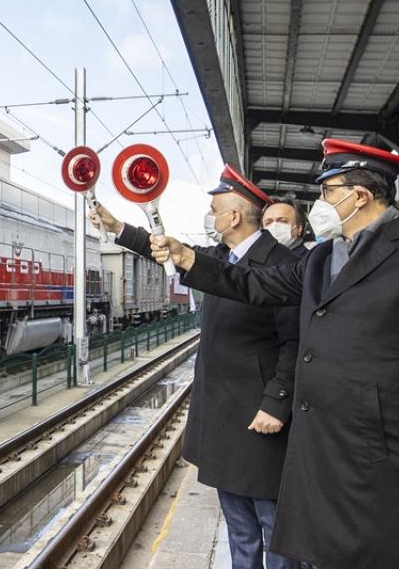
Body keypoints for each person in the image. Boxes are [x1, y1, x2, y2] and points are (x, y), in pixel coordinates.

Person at [149, 138, 399, 569]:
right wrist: (189, 257)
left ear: (359, 197)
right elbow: (255, 284)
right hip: (320, 450)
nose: (319, 202)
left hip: (382, 459)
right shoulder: (324, 256)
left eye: (328, 191)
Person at [93, 165, 301, 569]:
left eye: (214, 208)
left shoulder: (281, 263)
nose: (210, 215)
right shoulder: (220, 258)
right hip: (223, 416)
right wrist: (118, 226)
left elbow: (296, 341)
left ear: (234, 216)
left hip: (261, 416)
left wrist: (277, 402)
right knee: (239, 526)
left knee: (273, 524)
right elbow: (164, 247)